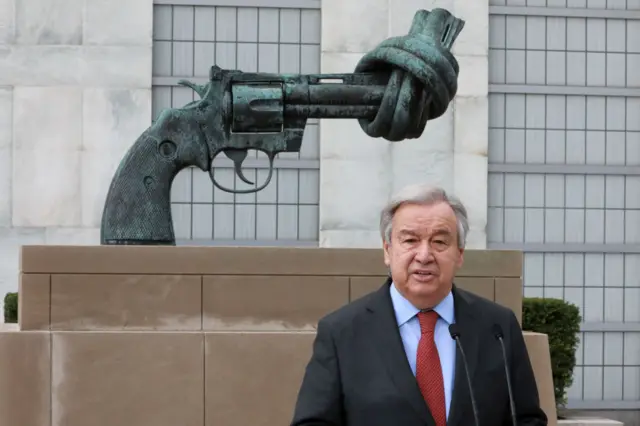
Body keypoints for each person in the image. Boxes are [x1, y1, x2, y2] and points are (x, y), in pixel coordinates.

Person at [290, 184, 548, 426]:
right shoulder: (341, 332)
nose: (424, 256)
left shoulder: (498, 327)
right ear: (387, 251)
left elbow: (527, 419)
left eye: (439, 242)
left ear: (459, 254)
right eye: (410, 240)